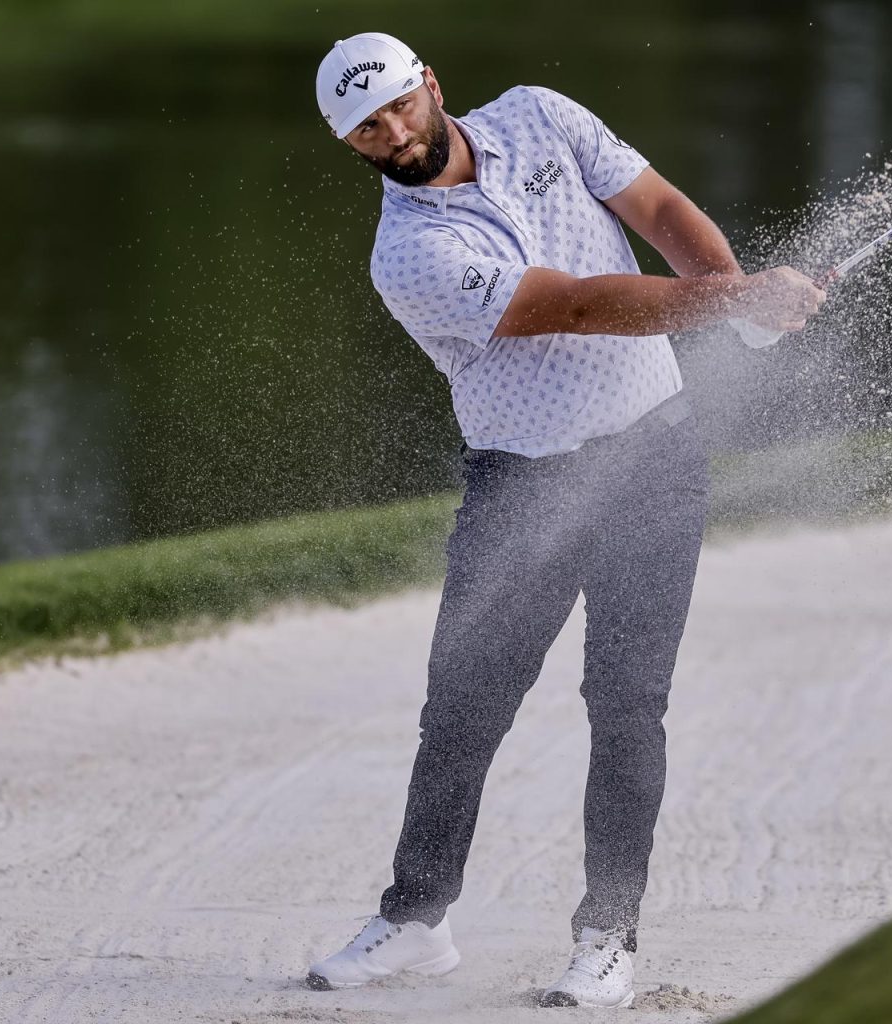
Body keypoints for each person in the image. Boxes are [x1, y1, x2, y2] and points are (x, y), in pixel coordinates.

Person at [305, 32, 825, 1009]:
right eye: (367, 127)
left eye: (399, 104)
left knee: (628, 704)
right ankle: (416, 920)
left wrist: (732, 291)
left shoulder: (541, 114)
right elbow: (581, 307)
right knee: (462, 709)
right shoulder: (409, 252)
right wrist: (727, 303)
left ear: (431, 87)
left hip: (654, 460)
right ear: (355, 146)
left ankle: (607, 936)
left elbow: (659, 208)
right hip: (523, 486)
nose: (393, 130)